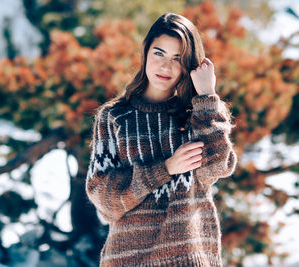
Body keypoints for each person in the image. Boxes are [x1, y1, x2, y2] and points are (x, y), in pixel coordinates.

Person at [86, 12, 237, 267]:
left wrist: (208, 97)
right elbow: (104, 198)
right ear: (145, 52)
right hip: (128, 260)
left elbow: (217, 167)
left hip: (190, 258)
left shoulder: (202, 112)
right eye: (159, 53)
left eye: (177, 58)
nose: (166, 67)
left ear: (189, 65)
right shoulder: (114, 117)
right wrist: (165, 169)